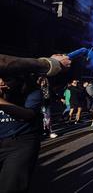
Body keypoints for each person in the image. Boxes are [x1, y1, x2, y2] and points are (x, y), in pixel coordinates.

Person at [0, 54, 70, 193]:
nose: (2, 82)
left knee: (11, 186)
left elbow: (28, 114)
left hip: (20, 143)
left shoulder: (33, 92)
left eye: (7, 79)